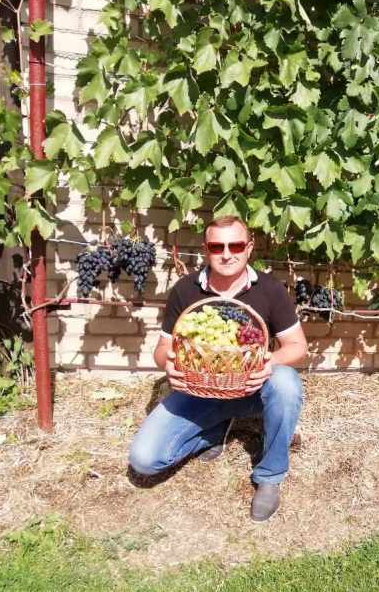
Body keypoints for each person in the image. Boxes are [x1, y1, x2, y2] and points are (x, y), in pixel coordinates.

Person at [128, 215, 308, 522]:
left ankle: (270, 476)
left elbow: (297, 346)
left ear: (249, 247)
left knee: (286, 383)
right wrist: (168, 365)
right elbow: (162, 349)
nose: (227, 254)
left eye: (235, 245)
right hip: (199, 391)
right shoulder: (186, 290)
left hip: (253, 388)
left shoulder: (270, 289)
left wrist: (269, 362)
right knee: (144, 460)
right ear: (205, 249)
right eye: (217, 246)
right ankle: (214, 429)